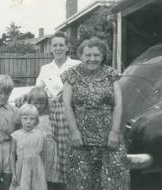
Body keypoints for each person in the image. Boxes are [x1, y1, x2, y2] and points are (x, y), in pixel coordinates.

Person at [62, 38, 130, 190]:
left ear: (102, 56)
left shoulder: (111, 74)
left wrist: (114, 132)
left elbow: (118, 104)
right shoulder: (71, 75)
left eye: (96, 55)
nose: (92, 59)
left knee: (113, 179)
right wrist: (74, 132)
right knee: (81, 181)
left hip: (108, 135)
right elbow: (66, 104)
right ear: (80, 55)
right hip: (80, 135)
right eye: (88, 55)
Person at [15, 31, 81, 187]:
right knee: (49, 149)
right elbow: (37, 89)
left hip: (69, 110)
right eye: (55, 45)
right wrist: (24, 97)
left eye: (61, 45)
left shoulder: (76, 65)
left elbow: (80, 88)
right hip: (49, 112)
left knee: (67, 148)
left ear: (67, 47)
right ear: (50, 48)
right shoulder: (46, 68)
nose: (58, 48)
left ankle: (69, 183)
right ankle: (49, 183)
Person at [27, 87, 62, 190]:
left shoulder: (49, 114)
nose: (38, 106)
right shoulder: (28, 116)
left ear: (46, 103)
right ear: (30, 102)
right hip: (36, 150)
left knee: (47, 176)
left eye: (41, 103)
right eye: (35, 103)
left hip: (49, 149)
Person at [9, 104, 47, 190]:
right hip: (21, 170)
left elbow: (44, 154)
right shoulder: (16, 135)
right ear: (20, 119)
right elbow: (12, 154)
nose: (28, 121)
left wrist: (43, 172)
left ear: (36, 120)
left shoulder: (40, 134)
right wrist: (14, 173)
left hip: (37, 170)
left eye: (32, 118)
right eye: (25, 118)